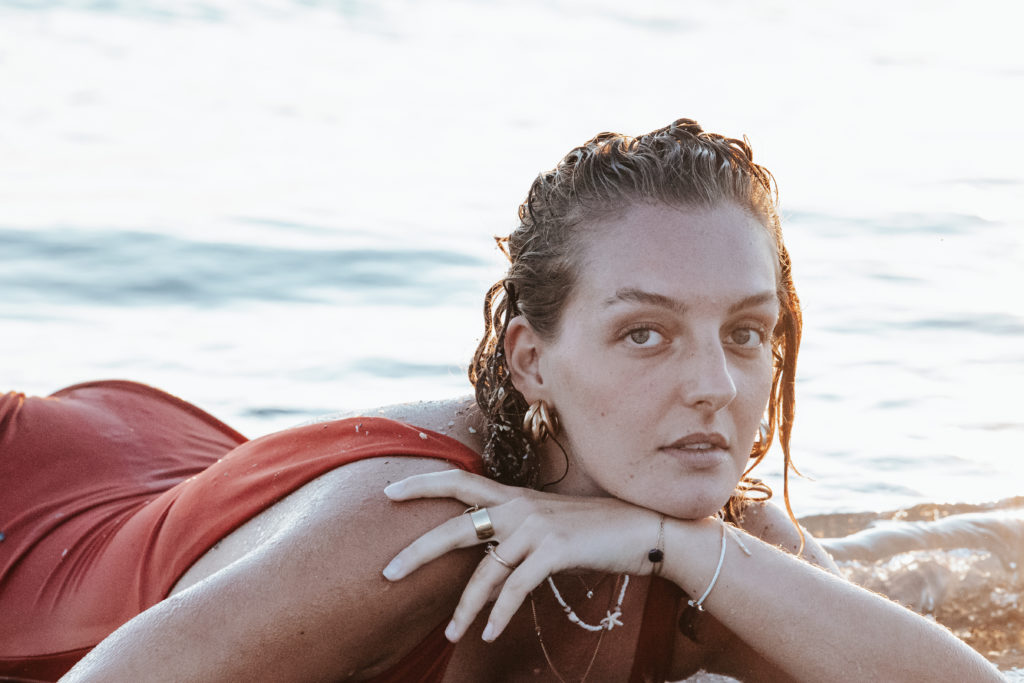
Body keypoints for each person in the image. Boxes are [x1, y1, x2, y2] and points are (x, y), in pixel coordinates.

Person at [0, 119, 1001, 682]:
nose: (714, 384)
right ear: (529, 359)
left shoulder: (712, 530)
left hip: (193, 475)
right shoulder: (411, 533)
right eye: (643, 332)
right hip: (37, 511)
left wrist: (681, 546)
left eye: (745, 332)